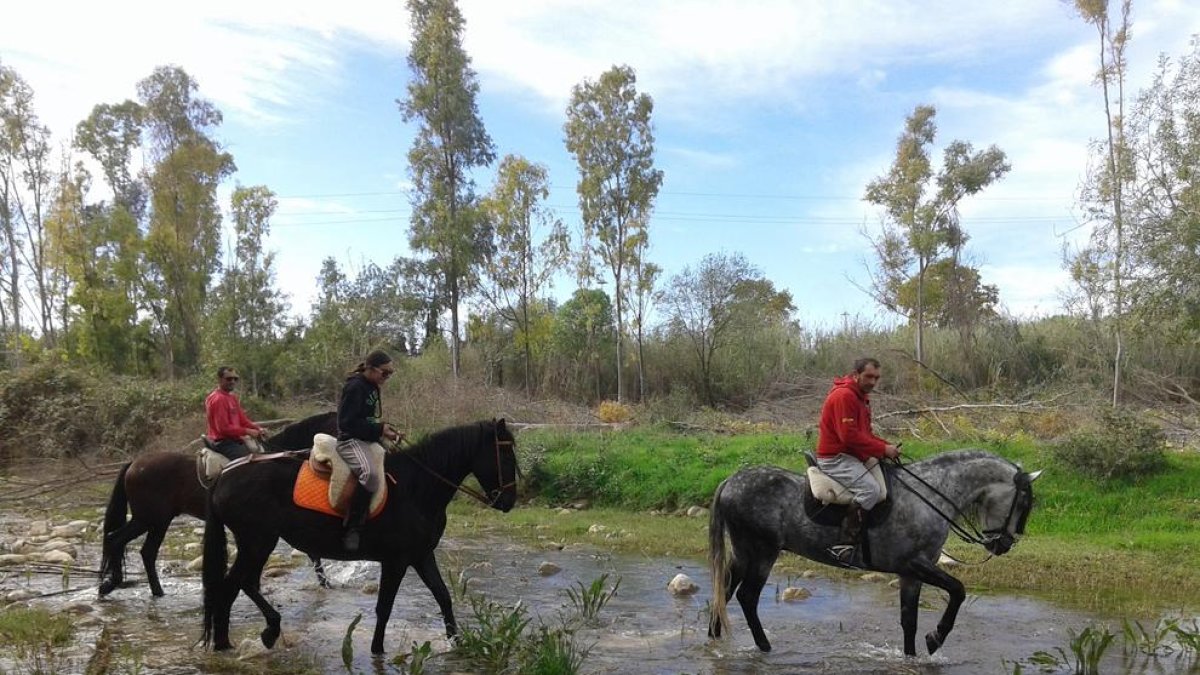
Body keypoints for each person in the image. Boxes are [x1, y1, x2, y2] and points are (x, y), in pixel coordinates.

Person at [815, 357, 900, 563]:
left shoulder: (860, 396)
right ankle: (845, 544)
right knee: (870, 490)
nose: (873, 382)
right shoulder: (845, 396)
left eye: (877, 378)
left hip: (851, 455)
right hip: (835, 458)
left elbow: (865, 434)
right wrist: (882, 448)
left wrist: (886, 447)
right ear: (856, 375)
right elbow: (849, 437)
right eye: (869, 376)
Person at [337, 350, 402, 552]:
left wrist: (385, 430)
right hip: (351, 441)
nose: (387, 377)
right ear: (371, 369)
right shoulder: (355, 387)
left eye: (390, 374)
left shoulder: (372, 385)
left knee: (398, 464)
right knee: (371, 475)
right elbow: (347, 424)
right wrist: (379, 429)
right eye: (385, 373)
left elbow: (369, 419)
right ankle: (353, 527)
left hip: (368, 438)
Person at [205, 366, 264, 460]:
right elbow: (223, 428)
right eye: (228, 379)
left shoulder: (232, 397)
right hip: (223, 443)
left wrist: (258, 429)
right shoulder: (218, 399)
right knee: (252, 464)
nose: (232, 381)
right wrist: (247, 431)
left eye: (235, 379)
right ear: (220, 379)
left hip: (234, 440)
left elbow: (243, 420)